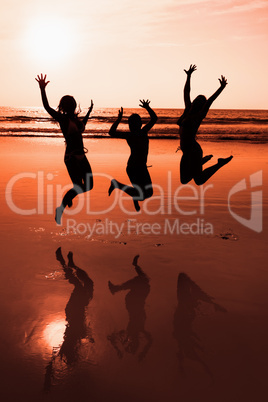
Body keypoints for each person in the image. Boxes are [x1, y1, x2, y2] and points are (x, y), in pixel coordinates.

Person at [35, 74, 94, 224]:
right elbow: (47, 107)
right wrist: (42, 89)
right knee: (80, 186)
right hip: (72, 158)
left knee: (88, 185)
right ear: (64, 106)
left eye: (72, 103)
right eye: (68, 104)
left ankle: (68, 198)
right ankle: (61, 207)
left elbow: (82, 126)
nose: (71, 105)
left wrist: (89, 112)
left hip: (82, 156)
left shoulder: (76, 120)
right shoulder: (63, 119)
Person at [177, 64, 233, 185]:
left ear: (201, 105)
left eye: (200, 101)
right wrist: (188, 76)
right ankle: (200, 162)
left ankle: (219, 163)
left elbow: (211, 100)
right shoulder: (187, 109)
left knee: (199, 180)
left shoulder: (199, 116)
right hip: (185, 151)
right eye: (197, 99)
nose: (197, 101)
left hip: (193, 151)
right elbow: (186, 92)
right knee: (184, 180)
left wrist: (221, 88)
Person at [108, 100, 157, 211]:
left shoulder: (134, 134)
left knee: (146, 192)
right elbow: (154, 119)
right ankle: (117, 185)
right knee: (145, 193)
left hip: (138, 167)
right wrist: (147, 107)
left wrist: (119, 119)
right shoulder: (140, 132)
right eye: (133, 124)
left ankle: (130, 194)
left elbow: (111, 132)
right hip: (135, 168)